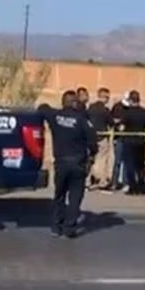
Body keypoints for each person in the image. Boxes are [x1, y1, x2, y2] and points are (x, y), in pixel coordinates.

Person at [37, 90, 97, 238]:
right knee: (75, 197)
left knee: (59, 195)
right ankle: (69, 228)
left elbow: (42, 108)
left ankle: (56, 227)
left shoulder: (54, 116)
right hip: (78, 164)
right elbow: (93, 143)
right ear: (75, 103)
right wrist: (91, 157)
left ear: (63, 102)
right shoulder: (82, 120)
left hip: (61, 163)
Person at [118, 89, 145, 195]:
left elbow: (121, 128)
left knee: (129, 166)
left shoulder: (127, 113)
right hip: (141, 142)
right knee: (140, 166)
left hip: (129, 142)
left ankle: (133, 188)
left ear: (130, 100)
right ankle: (141, 187)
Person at [86, 87, 112, 190]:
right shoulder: (105, 110)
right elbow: (111, 122)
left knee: (90, 158)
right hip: (102, 137)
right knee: (101, 158)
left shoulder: (90, 108)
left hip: (90, 137)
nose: (108, 99)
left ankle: (87, 180)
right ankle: (100, 179)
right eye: (107, 97)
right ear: (104, 97)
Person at [107, 91, 132, 191]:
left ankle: (126, 183)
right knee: (117, 162)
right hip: (119, 138)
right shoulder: (117, 107)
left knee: (126, 162)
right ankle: (114, 182)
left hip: (128, 138)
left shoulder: (132, 109)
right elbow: (111, 120)